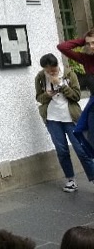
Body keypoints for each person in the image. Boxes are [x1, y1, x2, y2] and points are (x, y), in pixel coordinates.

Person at [35, 53, 94, 192]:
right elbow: (39, 97)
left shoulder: (69, 74)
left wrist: (60, 85)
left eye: (53, 70)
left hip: (71, 117)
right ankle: (70, 180)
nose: (51, 73)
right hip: (52, 118)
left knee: (81, 150)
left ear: (57, 66)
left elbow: (77, 96)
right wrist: (47, 95)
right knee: (61, 150)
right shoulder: (40, 77)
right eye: (47, 71)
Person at [57, 31, 94, 148]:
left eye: (93, 43)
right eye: (88, 44)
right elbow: (62, 47)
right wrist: (83, 40)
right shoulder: (86, 59)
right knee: (87, 134)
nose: (91, 46)